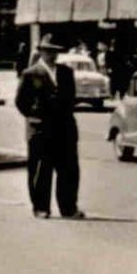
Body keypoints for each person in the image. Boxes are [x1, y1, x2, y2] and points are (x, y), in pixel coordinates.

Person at [14, 36, 83, 220]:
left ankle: (69, 208)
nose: (53, 55)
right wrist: (35, 117)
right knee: (40, 170)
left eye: (55, 51)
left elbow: (71, 99)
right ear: (41, 52)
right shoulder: (31, 74)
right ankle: (41, 207)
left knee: (69, 169)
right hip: (41, 130)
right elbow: (21, 102)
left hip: (64, 129)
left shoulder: (66, 73)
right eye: (49, 51)